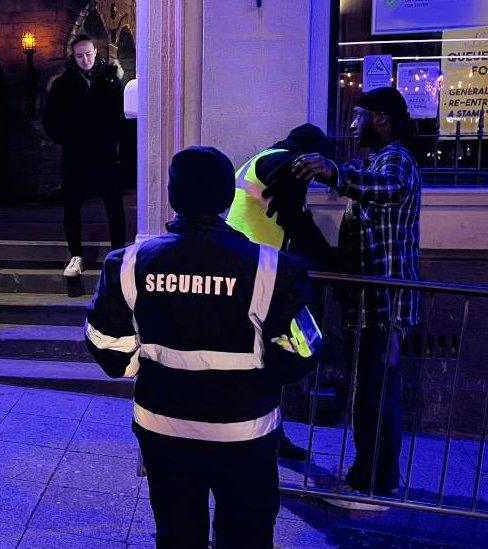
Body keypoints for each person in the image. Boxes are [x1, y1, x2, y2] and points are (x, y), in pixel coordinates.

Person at [86, 146, 322, 548]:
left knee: (177, 534)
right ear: (227, 198)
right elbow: (303, 349)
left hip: (163, 427)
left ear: (173, 196)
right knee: (245, 536)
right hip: (245, 431)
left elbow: (106, 346)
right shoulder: (273, 267)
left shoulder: (126, 263)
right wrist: (263, 376)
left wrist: (136, 366)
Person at [292, 86, 421, 511]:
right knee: (367, 393)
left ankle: (375, 483)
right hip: (365, 302)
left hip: (384, 302)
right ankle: (368, 475)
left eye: (359, 115)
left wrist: (334, 172)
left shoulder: (396, 160)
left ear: (381, 118)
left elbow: (385, 187)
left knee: (376, 395)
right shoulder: (371, 160)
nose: (352, 124)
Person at [225, 123, 334, 462]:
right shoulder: (279, 160)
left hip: (254, 272)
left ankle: (270, 433)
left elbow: (295, 220)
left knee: (264, 358)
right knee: (269, 356)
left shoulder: (264, 158)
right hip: (251, 276)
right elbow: (288, 194)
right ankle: (257, 435)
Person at [43, 34, 126, 277]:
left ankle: (118, 254)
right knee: (71, 206)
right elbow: (50, 119)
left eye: (88, 54)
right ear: (73, 56)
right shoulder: (63, 84)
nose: (85, 60)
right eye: (79, 56)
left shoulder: (111, 79)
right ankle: (75, 255)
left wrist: (116, 142)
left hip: (106, 154)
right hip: (76, 154)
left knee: (114, 206)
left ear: (95, 52)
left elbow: (122, 117)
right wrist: (68, 138)